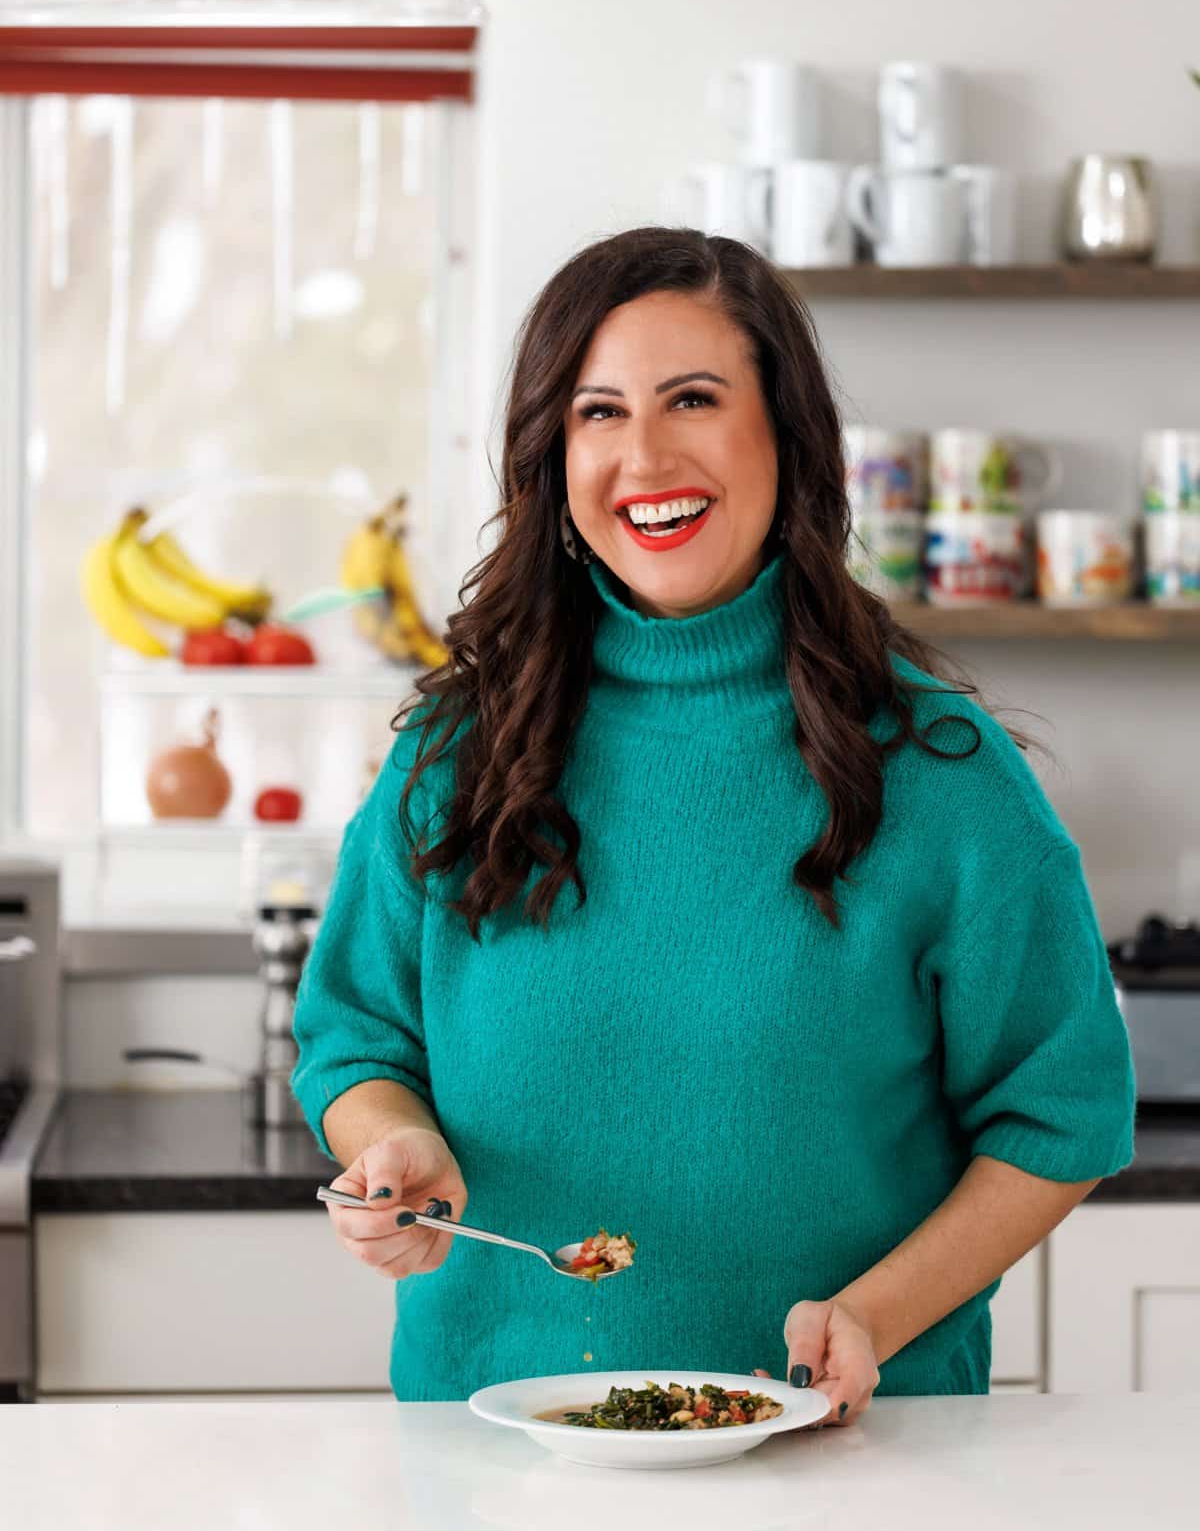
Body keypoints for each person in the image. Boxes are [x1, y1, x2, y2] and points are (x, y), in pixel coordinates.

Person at [291, 226, 1135, 1426]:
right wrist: (394, 1142)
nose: (645, 454)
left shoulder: (941, 771)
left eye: (692, 398)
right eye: (597, 412)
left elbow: (1064, 1111)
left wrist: (878, 1313)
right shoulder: (454, 753)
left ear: (787, 436)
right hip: (498, 1452)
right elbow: (353, 1034)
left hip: (853, 1456)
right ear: (553, 456)